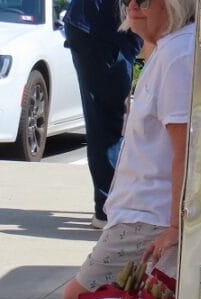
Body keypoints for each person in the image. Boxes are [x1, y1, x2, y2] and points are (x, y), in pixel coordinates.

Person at [38, 0, 194, 299]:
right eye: (129, 0)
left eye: (145, 0)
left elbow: (185, 149)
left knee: (79, 298)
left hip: (147, 218)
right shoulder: (169, 50)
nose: (133, 7)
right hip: (144, 215)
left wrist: (175, 225)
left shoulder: (176, 56)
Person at [64, 0, 142, 230]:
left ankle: (111, 205)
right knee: (107, 123)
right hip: (101, 32)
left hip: (101, 29)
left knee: (108, 121)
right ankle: (107, 209)